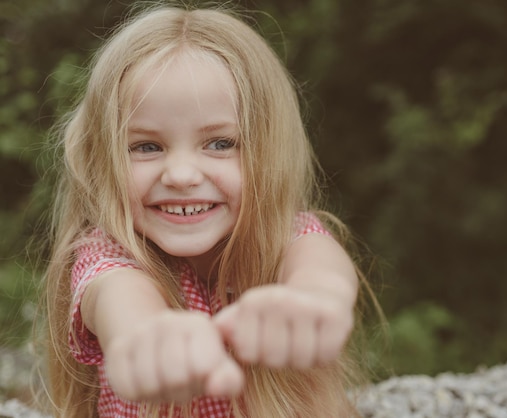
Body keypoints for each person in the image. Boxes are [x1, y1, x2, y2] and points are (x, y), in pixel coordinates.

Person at [42, 3, 371, 418]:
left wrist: (315, 300)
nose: (181, 174)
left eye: (220, 143)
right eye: (146, 146)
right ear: (101, 158)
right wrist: (144, 337)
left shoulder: (284, 237)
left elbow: (321, 270)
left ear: (269, 151)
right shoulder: (106, 256)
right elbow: (119, 301)